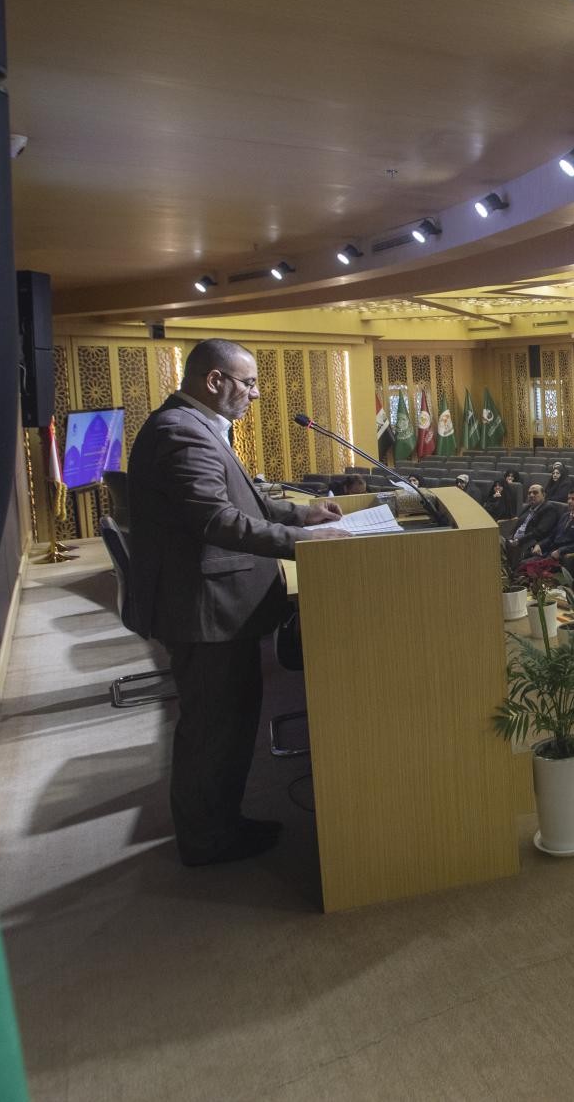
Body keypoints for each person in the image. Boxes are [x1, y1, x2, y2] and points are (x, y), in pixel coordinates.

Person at [124, 339, 348, 866]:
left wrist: (299, 514)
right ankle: (207, 839)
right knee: (213, 728)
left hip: (213, 606)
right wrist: (301, 541)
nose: (256, 393)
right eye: (248, 383)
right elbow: (216, 519)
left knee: (227, 721)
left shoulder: (193, 425)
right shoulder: (181, 431)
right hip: (205, 610)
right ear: (214, 380)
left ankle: (218, 824)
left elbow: (239, 499)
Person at [504, 483, 562, 562]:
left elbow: (539, 532)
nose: (531, 495)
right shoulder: (528, 507)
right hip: (515, 540)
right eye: (529, 493)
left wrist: (518, 541)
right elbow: (518, 524)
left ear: (543, 495)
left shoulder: (549, 509)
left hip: (530, 543)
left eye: (535, 493)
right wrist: (511, 538)